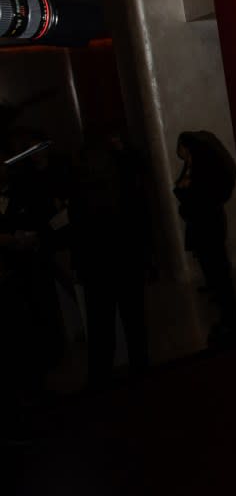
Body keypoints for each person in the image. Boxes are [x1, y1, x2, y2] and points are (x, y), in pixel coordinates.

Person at [69, 128, 151, 386]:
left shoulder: (83, 189)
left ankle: (101, 377)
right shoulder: (120, 183)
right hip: (123, 261)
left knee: (101, 326)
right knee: (133, 322)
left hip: (99, 266)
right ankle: (140, 370)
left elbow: (78, 232)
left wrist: (79, 267)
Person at [173, 131, 236, 345]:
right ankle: (229, 320)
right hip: (208, 225)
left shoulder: (201, 169)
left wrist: (184, 191)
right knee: (218, 274)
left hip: (207, 227)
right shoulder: (199, 165)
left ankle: (230, 322)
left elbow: (195, 197)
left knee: (219, 275)